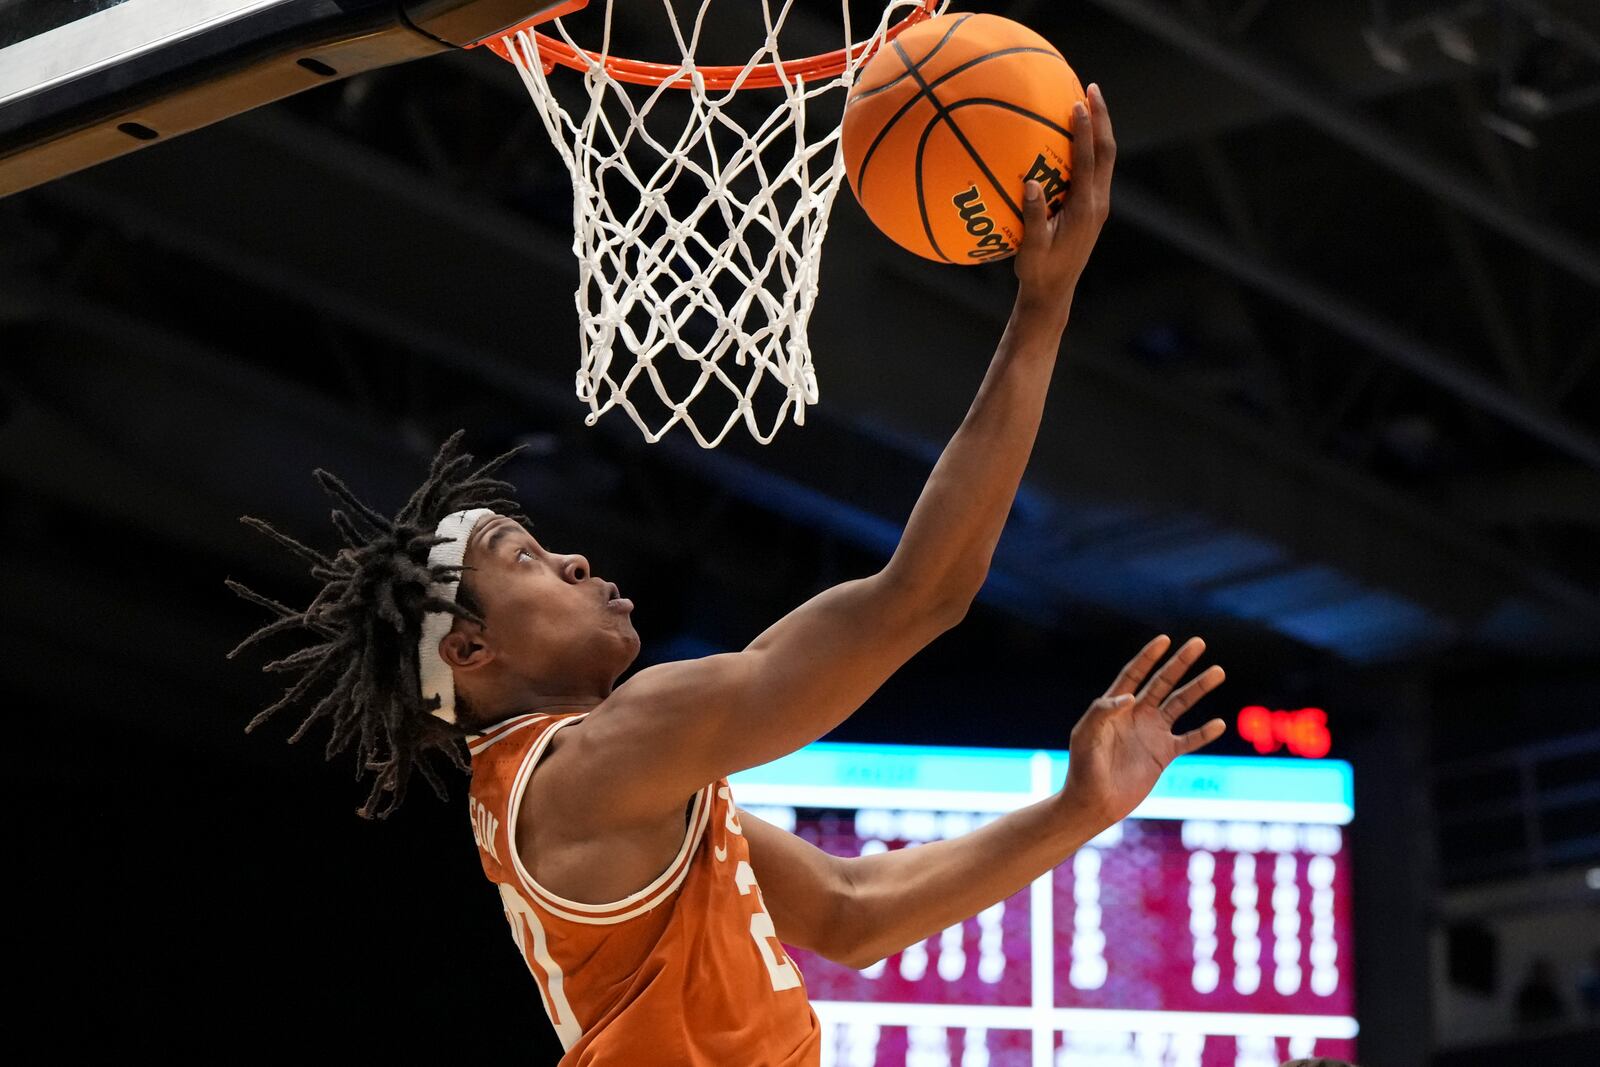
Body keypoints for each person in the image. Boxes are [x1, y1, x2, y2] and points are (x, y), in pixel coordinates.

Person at [230, 85, 1227, 1065]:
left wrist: (1078, 810)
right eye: (524, 558)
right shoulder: (600, 760)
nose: (574, 557)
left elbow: (849, 911)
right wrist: (1041, 306)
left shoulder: (602, 779)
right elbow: (921, 595)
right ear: (470, 647)